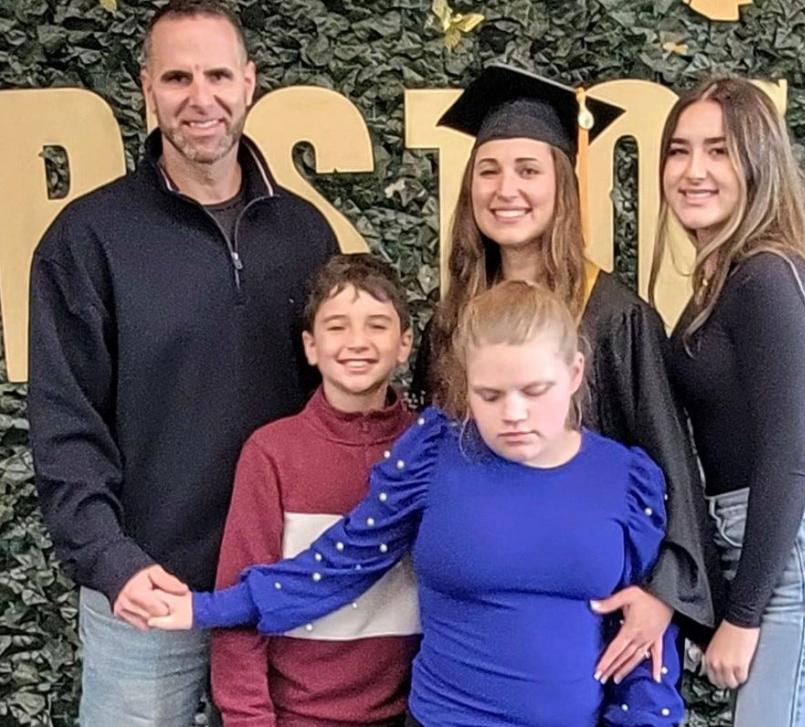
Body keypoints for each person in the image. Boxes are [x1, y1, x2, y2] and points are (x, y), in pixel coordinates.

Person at [150, 280, 685, 727]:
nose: (514, 413)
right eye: (491, 396)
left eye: (535, 390)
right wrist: (204, 607)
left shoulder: (627, 478)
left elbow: (645, 636)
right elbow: (338, 564)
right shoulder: (434, 455)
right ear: (466, 386)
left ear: (574, 374)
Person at [26, 1, 337, 723]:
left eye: (219, 75)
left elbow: (338, 406)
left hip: (277, 595)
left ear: (251, 82)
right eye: (177, 77)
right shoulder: (88, 238)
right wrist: (112, 561)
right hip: (147, 595)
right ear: (147, 89)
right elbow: (66, 424)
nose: (202, 98)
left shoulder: (305, 233)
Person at [410, 64, 719, 678]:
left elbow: (669, 469)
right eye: (489, 170)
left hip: (588, 622)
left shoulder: (613, 317)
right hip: (473, 625)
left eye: (529, 170)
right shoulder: (454, 317)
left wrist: (663, 595)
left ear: (563, 184)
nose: (506, 189)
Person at [651, 77, 805, 726]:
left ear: (759, 163)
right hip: (771, 540)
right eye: (678, 150)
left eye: (719, 151)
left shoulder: (768, 274)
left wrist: (744, 611)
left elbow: (787, 454)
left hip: (802, 550)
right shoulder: (727, 275)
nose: (693, 170)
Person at [212, 254, 419, 726]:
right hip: (298, 716)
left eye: (378, 325)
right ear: (310, 346)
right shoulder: (272, 453)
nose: (357, 343)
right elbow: (238, 606)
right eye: (337, 327)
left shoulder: (429, 451)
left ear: (405, 342)